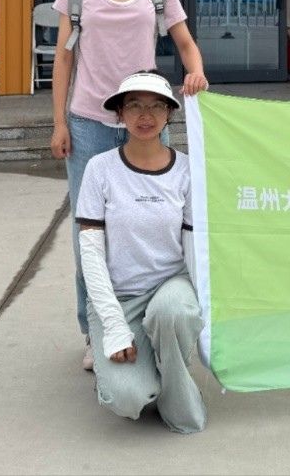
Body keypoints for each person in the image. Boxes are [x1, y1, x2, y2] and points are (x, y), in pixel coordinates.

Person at [51, 0, 208, 373]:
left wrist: (196, 73)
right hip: (90, 124)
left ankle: (162, 316)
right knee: (89, 232)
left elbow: (185, 42)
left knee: (160, 222)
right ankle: (94, 328)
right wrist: (59, 122)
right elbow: (64, 58)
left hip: (145, 118)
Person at [76, 69, 207, 434]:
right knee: (127, 398)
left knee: (173, 311)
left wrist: (204, 309)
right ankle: (146, 359)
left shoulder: (187, 170)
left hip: (171, 286)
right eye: (134, 105)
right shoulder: (99, 169)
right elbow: (91, 255)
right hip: (121, 297)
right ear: (120, 113)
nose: (145, 116)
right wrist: (114, 325)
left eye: (156, 106)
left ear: (170, 114)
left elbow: (193, 247)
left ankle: (177, 395)